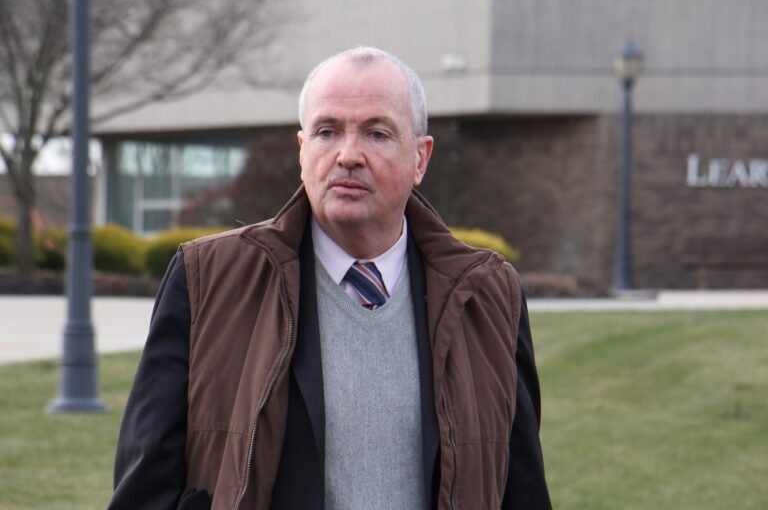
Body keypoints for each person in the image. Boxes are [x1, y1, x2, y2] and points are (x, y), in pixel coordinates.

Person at [110, 46, 551, 510]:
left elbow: (521, 489)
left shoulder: (488, 294)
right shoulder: (207, 279)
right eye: (327, 132)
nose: (348, 156)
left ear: (420, 159)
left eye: (377, 133)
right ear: (303, 151)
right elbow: (145, 486)